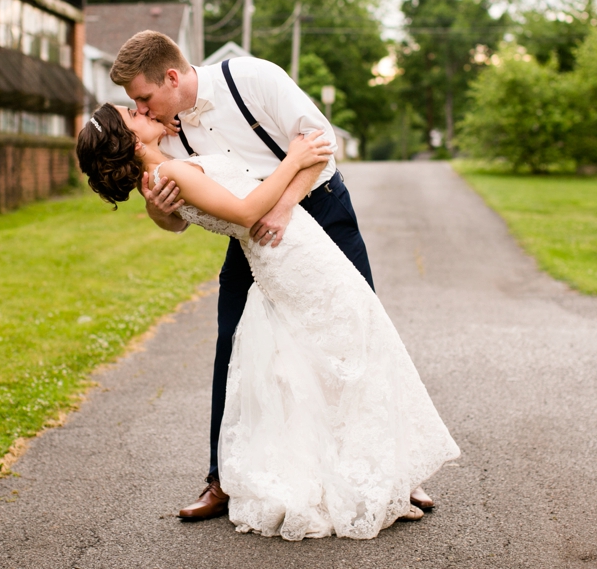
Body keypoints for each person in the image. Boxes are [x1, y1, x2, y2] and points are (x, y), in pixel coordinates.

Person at [76, 102, 459, 539]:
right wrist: (293, 160)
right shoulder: (169, 177)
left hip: (293, 249)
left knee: (329, 359)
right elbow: (244, 212)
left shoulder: (165, 169)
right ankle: (375, 475)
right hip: (291, 254)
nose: (140, 109)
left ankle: (383, 471)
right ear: (127, 138)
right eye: (131, 112)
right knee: (353, 351)